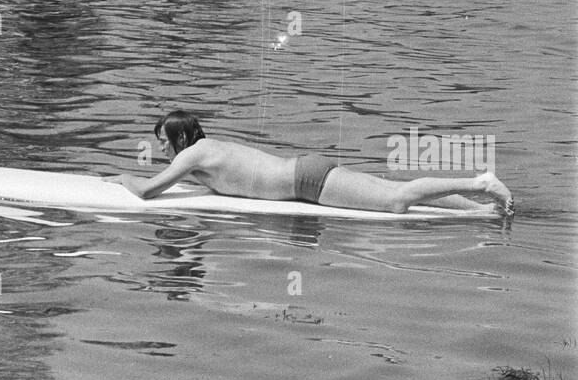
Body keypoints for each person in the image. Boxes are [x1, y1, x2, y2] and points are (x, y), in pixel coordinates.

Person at [118, 110, 514, 215]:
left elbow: (148, 192)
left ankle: (479, 183)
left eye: (163, 144)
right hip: (307, 174)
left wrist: (118, 179)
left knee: (396, 201)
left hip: (307, 182)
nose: (163, 153)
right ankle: (482, 212)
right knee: (390, 191)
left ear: (181, 138)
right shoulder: (207, 152)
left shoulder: (192, 154)